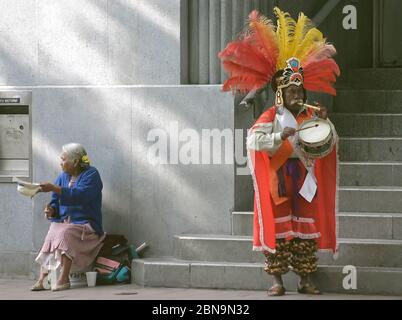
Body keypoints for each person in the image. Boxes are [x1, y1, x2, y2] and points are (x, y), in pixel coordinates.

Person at [219, 8, 340, 296]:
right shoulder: (271, 115)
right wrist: (278, 135)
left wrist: (324, 122)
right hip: (279, 181)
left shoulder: (311, 117)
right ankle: (277, 281)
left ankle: (306, 279)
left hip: (305, 181)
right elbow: (253, 141)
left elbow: (330, 140)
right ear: (280, 95)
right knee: (280, 229)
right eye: (292, 93)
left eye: (300, 92)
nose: (297, 96)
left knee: (304, 232)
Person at [31, 143, 105, 291]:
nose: (60, 162)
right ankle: (43, 279)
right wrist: (51, 210)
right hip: (65, 223)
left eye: (63, 159)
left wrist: (53, 187)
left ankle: (63, 279)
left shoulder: (92, 174)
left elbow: (81, 195)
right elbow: (54, 202)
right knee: (54, 229)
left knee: (65, 232)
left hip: (86, 225)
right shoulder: (62, 177)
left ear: (75, 162)